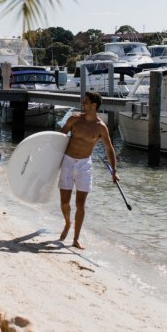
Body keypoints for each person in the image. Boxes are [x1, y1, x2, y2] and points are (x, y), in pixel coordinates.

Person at [58, 91, 119, 249]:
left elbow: (109, 149)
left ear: (94, 105)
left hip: (84, 165)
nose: (82, 104)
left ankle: (75, 239)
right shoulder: (74, 119)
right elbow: (58, 137)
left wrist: (114, 170)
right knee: (64, 202)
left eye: (85, 102)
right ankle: (67, 222)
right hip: (68, 161)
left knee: (80, 204)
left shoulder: (101, 128)